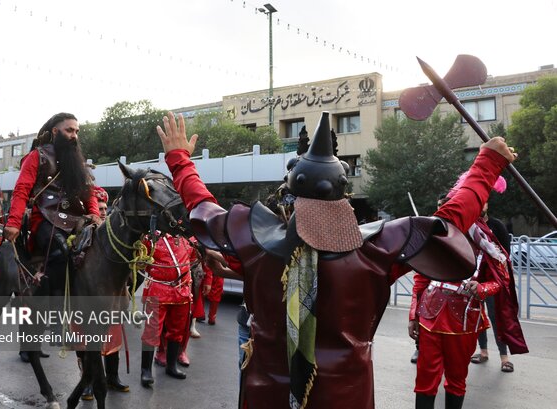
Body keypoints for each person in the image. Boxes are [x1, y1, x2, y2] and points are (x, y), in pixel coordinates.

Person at [155, 110, 518, 409]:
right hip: (348, 397)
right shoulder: (376, 251)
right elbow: (449, 220)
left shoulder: (255, 243)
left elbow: (202, 206)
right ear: (344, 194)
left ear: (292, 192)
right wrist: (487, 163)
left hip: (266, 394)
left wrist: (179, 158)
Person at [409, 188, 527, 409]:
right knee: (425, 381)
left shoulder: (485, 239)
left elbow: (500, 281)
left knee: (456, 380)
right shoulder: (436, 234)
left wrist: (481, 288)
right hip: (428, 318)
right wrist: (413, 314)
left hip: (463, 320)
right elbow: (420, 280)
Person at [3, 112, 100, 294]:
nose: (74, 136)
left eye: (77, 131)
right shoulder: (36, 156)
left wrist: (94, 213)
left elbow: (89, 193)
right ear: (55, 131)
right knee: (61, 251)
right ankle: (51, 303)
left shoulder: (78, 161)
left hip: (77, 219)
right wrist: (14, 223)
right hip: (45, 218)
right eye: (69, 130)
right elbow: (21, 190)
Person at [79, 186, 129, 400]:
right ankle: (87, 382)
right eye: (99, 207)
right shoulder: (83, 233)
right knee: (88, 343)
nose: (102, 211)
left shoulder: (114, 233)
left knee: (113, 339)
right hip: (89, 297)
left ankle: (113, 378)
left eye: (105, 208)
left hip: (113, 296)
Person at [140, 232, 198, 386]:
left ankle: (171, 366)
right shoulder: (151, 237)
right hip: (158, 290)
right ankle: (145, 370)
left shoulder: (188, 239)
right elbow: (142, 261)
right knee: (151, 331)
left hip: (181, 292)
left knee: (177, 332)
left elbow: (191, 260)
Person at [470, 202, 515, 372]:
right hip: (473, 279)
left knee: (496, 317)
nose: (480, 205)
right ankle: (483, 352)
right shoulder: (469, 226)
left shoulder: (497, 225)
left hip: (494, 280)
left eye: (483, 201)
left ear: (487, 205)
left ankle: (504, 358)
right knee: (477, 316)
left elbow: (505, 255)